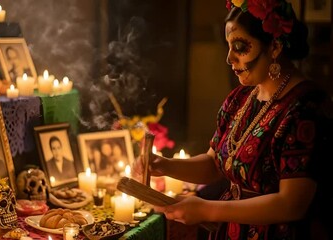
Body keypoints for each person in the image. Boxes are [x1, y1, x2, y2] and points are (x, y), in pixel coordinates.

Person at [132, 1, 332, 239]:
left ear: (275, 46)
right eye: (229, 46)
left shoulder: (305, 108)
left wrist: (207, 209)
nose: (229, 58)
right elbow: (214, 164)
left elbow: (291, 204)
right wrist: (163, 165)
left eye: (239, 47)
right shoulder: (241, 98)